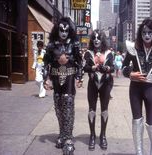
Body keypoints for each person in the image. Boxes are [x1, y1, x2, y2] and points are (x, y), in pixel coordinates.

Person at [122, 18, 152, 155]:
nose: (147, 36)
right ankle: (139, 152)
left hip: (151, 90)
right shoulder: (133, 48)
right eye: (144, 33)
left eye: (150, 33)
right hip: (135, 89)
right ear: (140, 34)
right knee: (137, 122)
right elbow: (124, 66)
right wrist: (131, 74)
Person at [42, 17, 83, 155]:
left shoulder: (74, 44)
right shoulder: (51, 45)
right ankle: (62, 134)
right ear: (57, 30)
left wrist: (79, 77)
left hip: (69, 81)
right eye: (61, 30)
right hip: (56, 81)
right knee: (59, 109)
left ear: (69, 31)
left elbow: (79, 62)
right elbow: (46, 63)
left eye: (66, 30)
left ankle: (68, 138)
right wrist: (45, 79)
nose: (64, 33)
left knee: (68, 108)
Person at [83, 29, 114, 151]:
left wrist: (106, 68)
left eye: (98, 38)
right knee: (91, 110)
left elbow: (113, 67)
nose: (96, 40)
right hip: (92, 85)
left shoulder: (108, 53)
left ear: (102, 40)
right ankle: (92, 135)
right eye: (94, 38)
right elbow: (84, 68)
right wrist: (92, 67)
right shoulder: (88, 53)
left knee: (104, 110)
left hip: (105, 85)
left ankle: (103, 135)